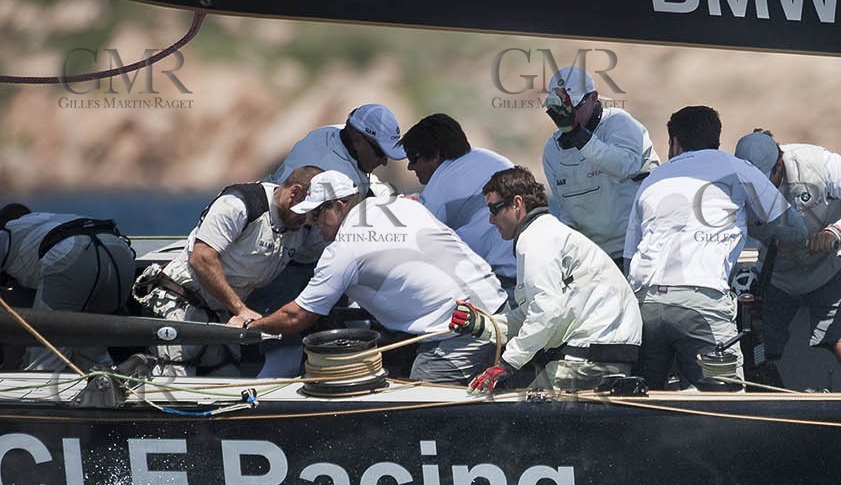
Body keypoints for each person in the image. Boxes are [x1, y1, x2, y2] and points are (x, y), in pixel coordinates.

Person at [247, 171, 506, 383]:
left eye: (315, 214)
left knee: (415, 404)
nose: (310, 223)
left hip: (460, 332)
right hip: (501, 309)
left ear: (340, 206)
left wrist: (251, 326)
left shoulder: (344, 249)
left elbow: (297, 316)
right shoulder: (399, 205)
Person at [626, 105, 805, 389]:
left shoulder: (652, 180)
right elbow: (796, 232)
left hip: (645, 303)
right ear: (717, 141)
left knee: (646, 398)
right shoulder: (738, 169)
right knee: (725, 402)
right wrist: (752, 224)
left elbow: (629, 260)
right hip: (702, 302)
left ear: (674, 142)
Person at [448, 167, 642, 394]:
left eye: (494, 209)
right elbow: (533, 313)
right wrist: (482, 325)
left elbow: (547, 311)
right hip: (600, 350)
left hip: (593, 353)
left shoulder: (536, 239)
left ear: (517, 204)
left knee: (525, 418)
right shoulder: (544, 233)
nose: (491, 219)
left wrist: (506, 365)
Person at [733, 129, 841, 390]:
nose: (761, 191)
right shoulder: (732, 184)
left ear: (778, 163)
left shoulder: (820, 164)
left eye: (766, 181)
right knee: (749, 358)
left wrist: (837, 232)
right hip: (778, 276)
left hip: (832, 268)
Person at [133, 167, 321, 375]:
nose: (309, 221)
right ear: (293, 193)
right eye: (308, 212)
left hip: (220, 317)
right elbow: (202, 258)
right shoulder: (240, 204)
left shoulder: (303, 228)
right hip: (183, 304)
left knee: (228, 383)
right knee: (175, 384)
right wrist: (240, 309)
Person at [541, 66, 661, 269]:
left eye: (575, 106)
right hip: (594, 259)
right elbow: (566, 210)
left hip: (640, 250)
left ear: (594, 97)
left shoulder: (619, 122)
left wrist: (577, 134)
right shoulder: (552, 151)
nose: (568, 114)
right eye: (559, 109)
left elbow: (626, 166)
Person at [0, 203, 137, 370]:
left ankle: (42, 390)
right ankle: (105, 383)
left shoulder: (8, 230)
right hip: (119, 251)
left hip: (72, 252)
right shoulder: (46, 219)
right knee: (90, 335)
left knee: (48, 343)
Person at [400, 114, 516, 295]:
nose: (410, 167)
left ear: (436, 156)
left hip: (497, 281)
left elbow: (415, 248)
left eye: (413, 159)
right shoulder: (486, 158)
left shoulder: (438, 189)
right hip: (523, 268)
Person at [269, 103, 407, 191]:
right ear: (358, 141)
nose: (384, 162)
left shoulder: (332, 131)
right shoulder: (337, 179)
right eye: (380, 153)